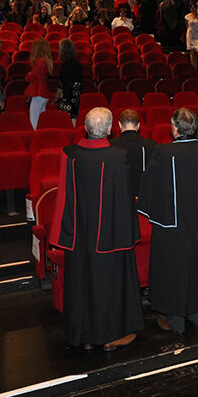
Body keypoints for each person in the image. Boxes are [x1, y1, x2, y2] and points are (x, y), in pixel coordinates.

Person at [48, 107, 143, 351]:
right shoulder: (117, 156)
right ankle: (109, 336)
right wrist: (129, 233)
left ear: (86, 128)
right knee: (107, 284)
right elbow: (123, 200)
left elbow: (64, 196)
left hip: (78, 235)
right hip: (108, 236)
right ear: (110, 129)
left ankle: (84, 336)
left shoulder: (69, 154)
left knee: (82, 283)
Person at [137, 108, 198, 334]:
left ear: (176, 128)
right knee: (197, 266)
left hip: (173, 224)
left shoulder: (164, 152)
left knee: (174, 268)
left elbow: (149, 185)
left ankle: (176, 318)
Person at [110, 109, 157, 205]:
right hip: (144, 198)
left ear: (119, 125)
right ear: (139, 125)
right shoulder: (151, 145)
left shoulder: (111, 145)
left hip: (119, 198)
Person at [25, 38, 53, 130]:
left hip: (38, 93)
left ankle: (35, 140)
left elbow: (29, 77)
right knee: (40, 121)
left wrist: (28, 74)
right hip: (43, 93)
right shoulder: (45, 60)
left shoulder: (40, 61)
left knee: (34, 122)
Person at [56, 39, 82, 122]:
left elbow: (62, 84)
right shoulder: (77, 64)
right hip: (77, 94)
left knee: (66, 121)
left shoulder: (65, 66)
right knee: (74, 119)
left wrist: (56, 97)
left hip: (67, 95)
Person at [185, 2, 198, 68]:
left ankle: (196, 62)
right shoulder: (187, 16)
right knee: (192, 52)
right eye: (191, 8)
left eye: (194, 8)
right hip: (190, 34)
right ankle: (193, 67)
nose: (193, 9)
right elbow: (186, 25)